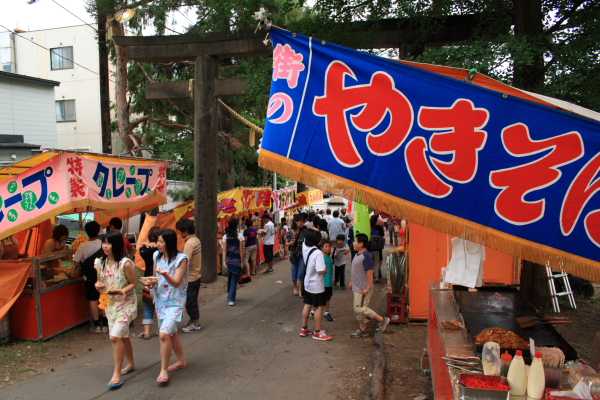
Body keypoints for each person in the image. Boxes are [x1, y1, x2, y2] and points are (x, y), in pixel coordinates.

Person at [94, 231, 137, 388]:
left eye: (108, 243)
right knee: (123, 336)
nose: (105, 246)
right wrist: (98, 286)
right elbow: (100, 283)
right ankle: (130, 364)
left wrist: (122, 291)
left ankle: (117, 373)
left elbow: (133, 283)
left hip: (126, 304)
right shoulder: (100, 263)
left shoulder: (125, 263)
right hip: (110, 304)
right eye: (103, 242)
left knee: (115, 336)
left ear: (117, 244)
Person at [146, 229, 189, 383]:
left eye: (161, 241)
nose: (158, 244)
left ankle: (163, 370)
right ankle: (181, 360)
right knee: (171, 333)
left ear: (169, 243)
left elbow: (177, 282)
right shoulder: (156, 256)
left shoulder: (181, 259)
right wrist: (151, 283)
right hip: (160, 300)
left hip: (175, 302)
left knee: (164, 334)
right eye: (158, 241)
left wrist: (165, 274)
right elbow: (154, 277)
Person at [348, 233, 390, 338]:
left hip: (363, 289)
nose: (353, 243)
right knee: (357, 310)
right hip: (357, 287)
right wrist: (351, 281)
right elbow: (356, 271)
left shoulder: (366, 256)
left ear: (361, 244)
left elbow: (370, 272)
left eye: (355, 241)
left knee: (360, 308)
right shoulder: (357, 254)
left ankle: (382, 320)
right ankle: (363, 329)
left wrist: (367, 287)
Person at [73, 221, 106, 334]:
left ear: (87, 232)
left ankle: (97, 325)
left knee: (93, 300)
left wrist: (83, 264)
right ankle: (105, 324)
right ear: (98, 231)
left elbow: (76, 262)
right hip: (103, 275)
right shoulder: (103, 243)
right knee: (104, 297)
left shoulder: (82, 245)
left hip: (90, 277)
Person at [300, 230, 332, 341]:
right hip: (317, 285)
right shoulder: (317, 253)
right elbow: (320, 270)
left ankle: (304, 328)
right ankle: (318, 331)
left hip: (308, 282)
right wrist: (326, 270)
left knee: (307, 304)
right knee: (319, 307)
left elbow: (305, 238)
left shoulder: (305, 248)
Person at [175, 219, 203, 333]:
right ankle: (193, 320)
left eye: (181, 232)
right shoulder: (196, 240)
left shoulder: (189, 243)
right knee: (192, 299)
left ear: (185, 231)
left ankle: (196, 323)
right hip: (196, 275)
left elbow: (184, 261)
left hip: (191, 276)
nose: (180, 235)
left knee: (191, 301)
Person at [137, 226, 161, 340]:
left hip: (148, 280)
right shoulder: (162, 250)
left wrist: (146, 243)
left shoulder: (144, 250)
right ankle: (161, 329)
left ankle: (146, 332)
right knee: (160, 306)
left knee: (148, 306)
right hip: (160, 280)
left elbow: (140, 248)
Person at [223, 218, 245, 306]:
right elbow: (241, 251)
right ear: (236, 225)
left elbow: (224, 250)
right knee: (234, 280)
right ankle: (231, 298)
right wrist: (242, 262)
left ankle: (230, 295)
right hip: (237, 261)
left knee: (230, 278)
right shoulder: (240, 236)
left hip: (229, 260)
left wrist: (224, 262)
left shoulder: (226, 236)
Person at [286, 214, 307, 296]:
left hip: (302, 255)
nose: (302, 223)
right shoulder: (290, 232)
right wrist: (290, 243)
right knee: (294, 272)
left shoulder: (305, 231)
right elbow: (286, 243)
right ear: (296, 222)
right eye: (300, 221)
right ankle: (295, 287)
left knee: (301, 273)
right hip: (294, 255)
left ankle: (301, 290)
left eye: (303, 221)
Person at [322, 239, 334, 322]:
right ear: (322, 248)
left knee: (327, 298)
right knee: (323, 298)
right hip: (323, 282)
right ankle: (316, 310)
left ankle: (326, 312)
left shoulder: (329, 258)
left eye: (329, 246)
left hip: (329, 282)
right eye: (326, 246)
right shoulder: (322, 258)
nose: (328, 248)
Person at [369, 216, 385, 282]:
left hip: (370, 249)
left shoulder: (368, 231)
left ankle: (370, 277)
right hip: (377, 249)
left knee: (370, 263)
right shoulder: (377, 232)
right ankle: (376, 277)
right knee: (376, 262)